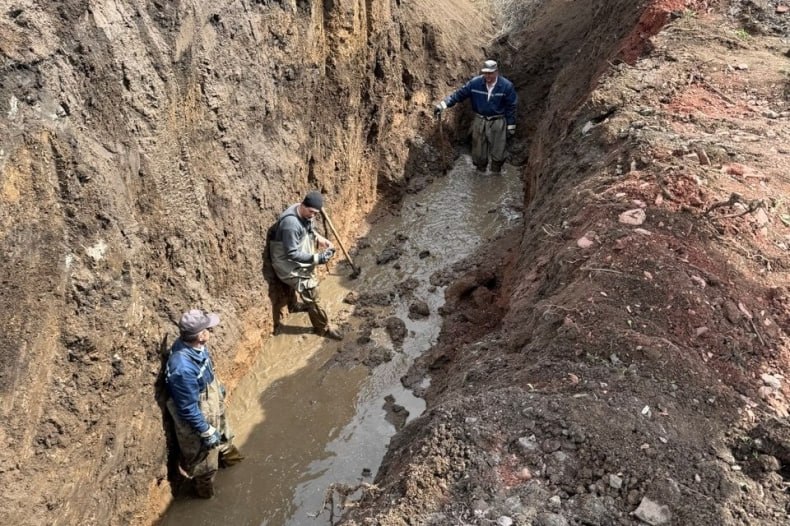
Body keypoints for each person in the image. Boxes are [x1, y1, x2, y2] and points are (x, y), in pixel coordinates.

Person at [165, 309, 243, 498]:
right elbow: (187, 407)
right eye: (207, 328)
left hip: (210, 398)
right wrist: (205, 430)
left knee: (224, 435)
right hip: (199, 413)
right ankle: (205, 494)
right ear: (201, 335)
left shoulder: (196, 346)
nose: (211, 330)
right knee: (204, 464)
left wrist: (217, 387)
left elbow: (206, 367)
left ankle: (231, 460)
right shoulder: (182, 369)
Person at [269, 191, 344, 340]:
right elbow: (291, 254)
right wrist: (317, 258)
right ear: (302, 205)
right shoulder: (291, 224)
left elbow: (309, 229)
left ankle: (294, 306)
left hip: (294, 254)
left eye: (316, 213)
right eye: (311, 212)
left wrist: (320, 239)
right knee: (311, 292)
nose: (313, 216)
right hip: (285, 262)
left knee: (307, 279)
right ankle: (322, 328)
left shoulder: (305, 213)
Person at [433, 59, 518, 173]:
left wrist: (511, 125)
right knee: (479, 153)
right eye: (485, 73)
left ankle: (496, 173)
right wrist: (443, 105)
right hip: (480, 120)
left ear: (496, 72)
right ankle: (480, 172)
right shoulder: (475, 83)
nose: (488, 76)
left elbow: (511, 106)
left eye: (490, 73)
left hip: (498, 121)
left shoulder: (506, 86)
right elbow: (458, 95)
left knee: (498, 152)